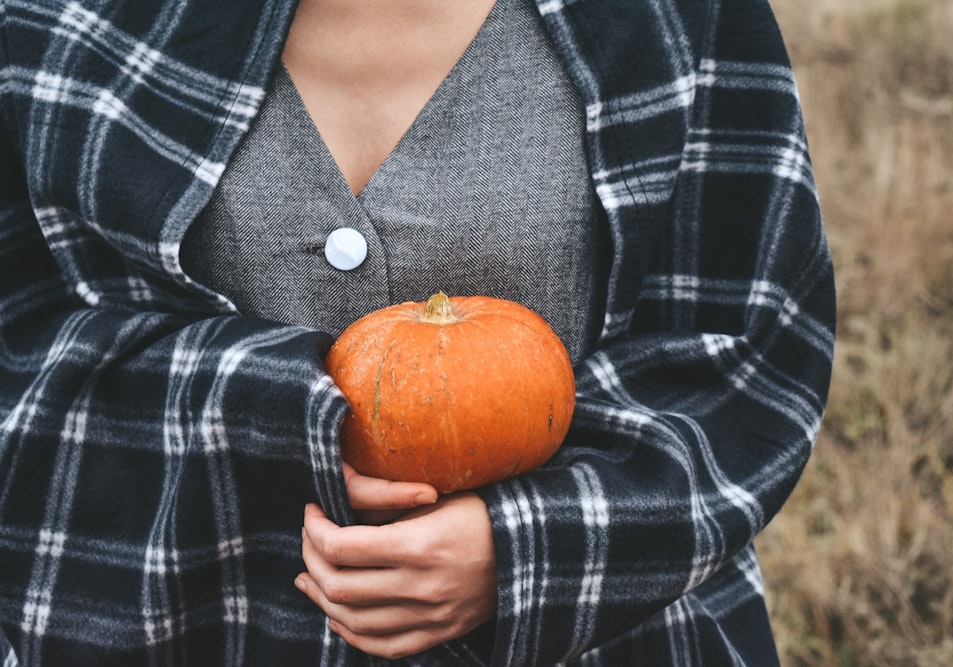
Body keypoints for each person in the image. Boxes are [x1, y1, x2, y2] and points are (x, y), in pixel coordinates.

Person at [0, 0, 836, 663]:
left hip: (613, 640)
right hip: (187, 625)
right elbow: (19, 339)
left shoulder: (673, 15)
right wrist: (268, 419)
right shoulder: (54, 21)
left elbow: (742, 346)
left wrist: (530, 547)